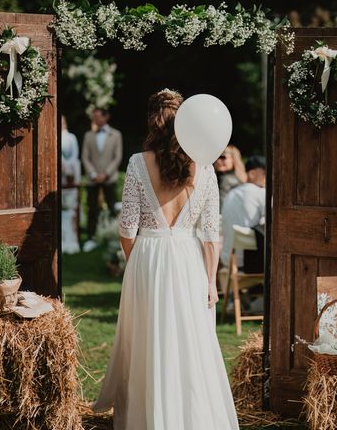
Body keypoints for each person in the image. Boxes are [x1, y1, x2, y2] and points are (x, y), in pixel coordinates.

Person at [92, 89, 239, 430]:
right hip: (190, 262)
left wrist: (138, 265)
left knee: (147, 342)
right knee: (192, 345)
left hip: (148, 258)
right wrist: (211, 281)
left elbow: (127, 229)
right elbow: (210, 233)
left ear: (152, 122)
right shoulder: (204, 168)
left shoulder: (136, 163)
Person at [81, 108, 123, 248]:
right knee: (92, 208)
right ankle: (91, 237)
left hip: (109, 178)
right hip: (92, 179)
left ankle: (113, 236)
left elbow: (117, 157)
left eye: (98, 117)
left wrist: (105, 174)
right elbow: (85, 157)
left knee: (112, 207)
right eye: (94, 117)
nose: (95, 119)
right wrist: (93, 174)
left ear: (106, 117)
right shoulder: (88, 136)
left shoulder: (116, 135)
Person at [221, 155, 266, 274]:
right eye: (265, 174)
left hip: (228, 259)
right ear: (252, 174)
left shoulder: (231, 193)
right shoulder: (260, 193)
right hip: (248, 262)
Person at [61, 116, 81, 254]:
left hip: (71, 173)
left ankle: (72, 240)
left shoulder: (71, 137)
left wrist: (68, 167)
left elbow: (74, 155)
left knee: (71, 208)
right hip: (60, 175)